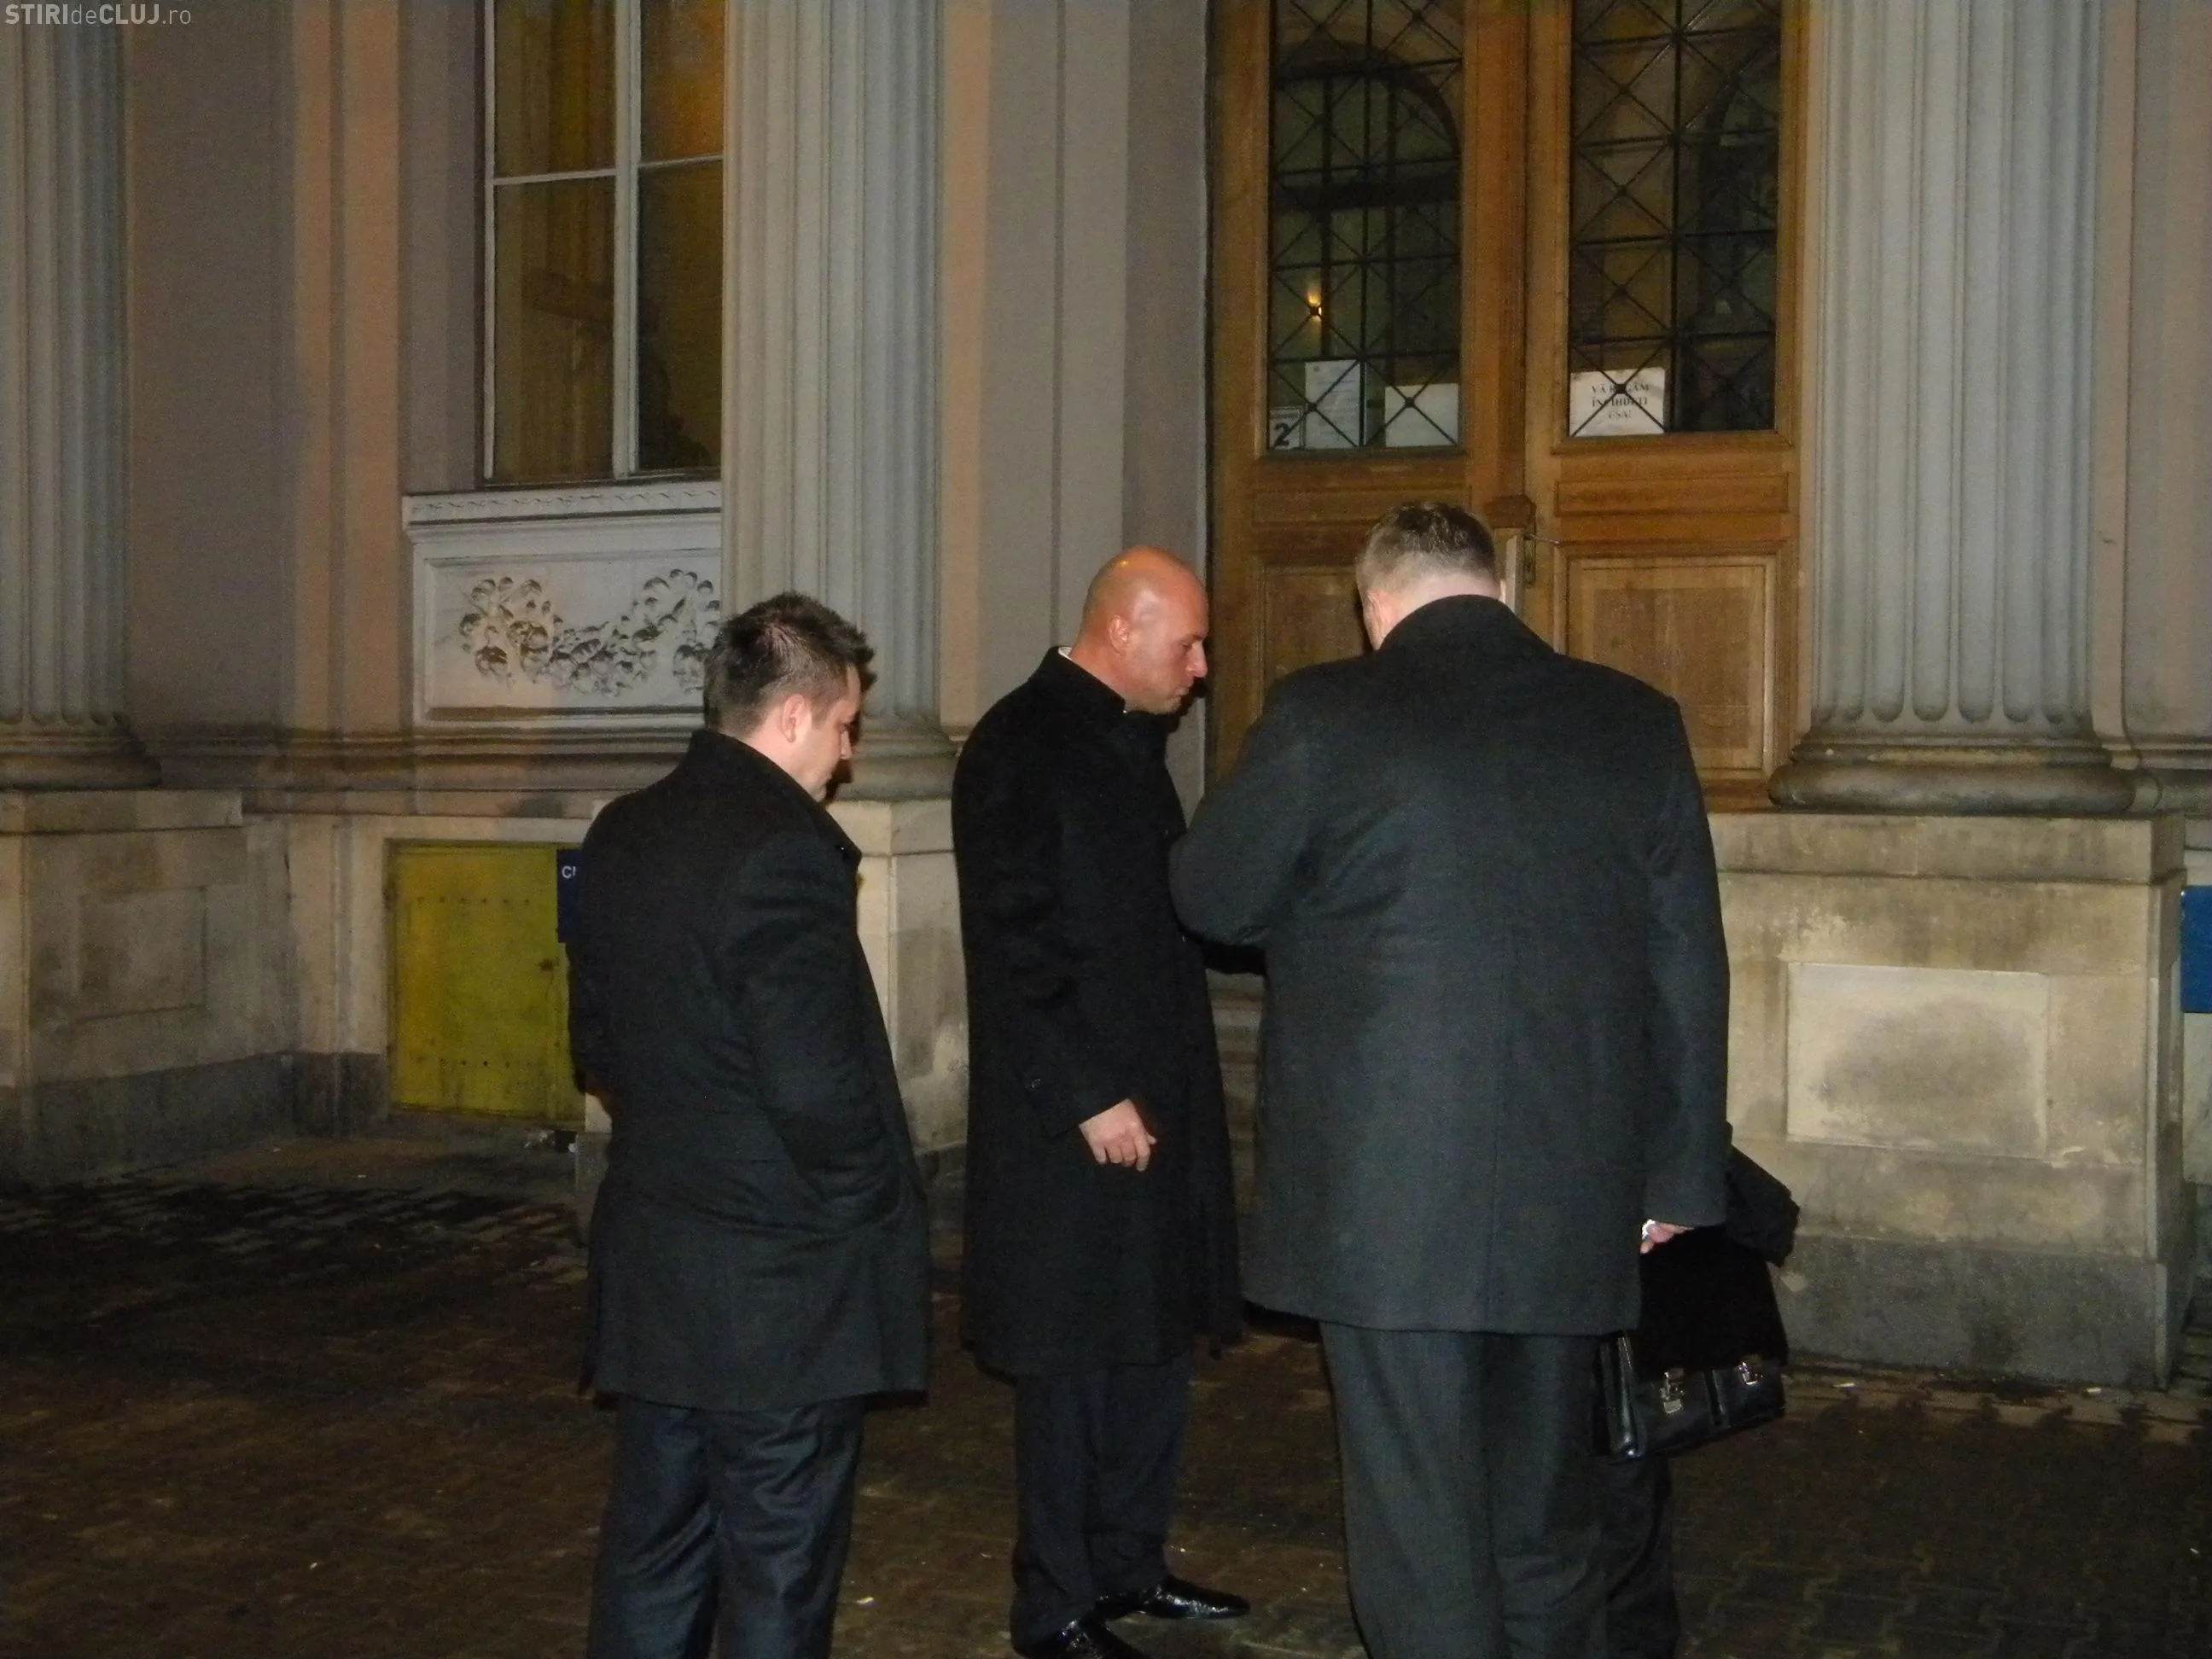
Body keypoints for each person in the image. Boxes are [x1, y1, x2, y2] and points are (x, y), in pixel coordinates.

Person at [1170, 503, 1731, 1659]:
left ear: (1374, 606)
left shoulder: (1327, 713)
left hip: (1385, 1202)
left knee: (1419, 1527)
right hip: (1574, 1189)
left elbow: (1213, 896)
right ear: (1501, 587)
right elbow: (1688, 961)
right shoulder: (1634, 720)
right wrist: (1679, 1173)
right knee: (1547, 1519)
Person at [568, 593, 929, 1659]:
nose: (847, 755)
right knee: (777, 1566)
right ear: (793, 717)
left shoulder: (620, 830)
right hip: (779, 1289)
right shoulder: (783, 850)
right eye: (845, 726)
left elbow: (596, 1043)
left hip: (661, 1260)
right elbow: (815, 1084)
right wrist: (872, 1212)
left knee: (656, 1549)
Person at [952, 547, 1248, 1659]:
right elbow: (1014, 940)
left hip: (1152, 1098)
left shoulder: (1124, 740)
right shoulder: (1020, 743)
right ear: (1124, 631)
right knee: (1075, 1361)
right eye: (1188, 644)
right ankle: (1057, 1601)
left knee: (1152, 1342)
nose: (1201, 667)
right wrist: (1088, 1092)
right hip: (1071, 1119)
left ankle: (1130, 1562)